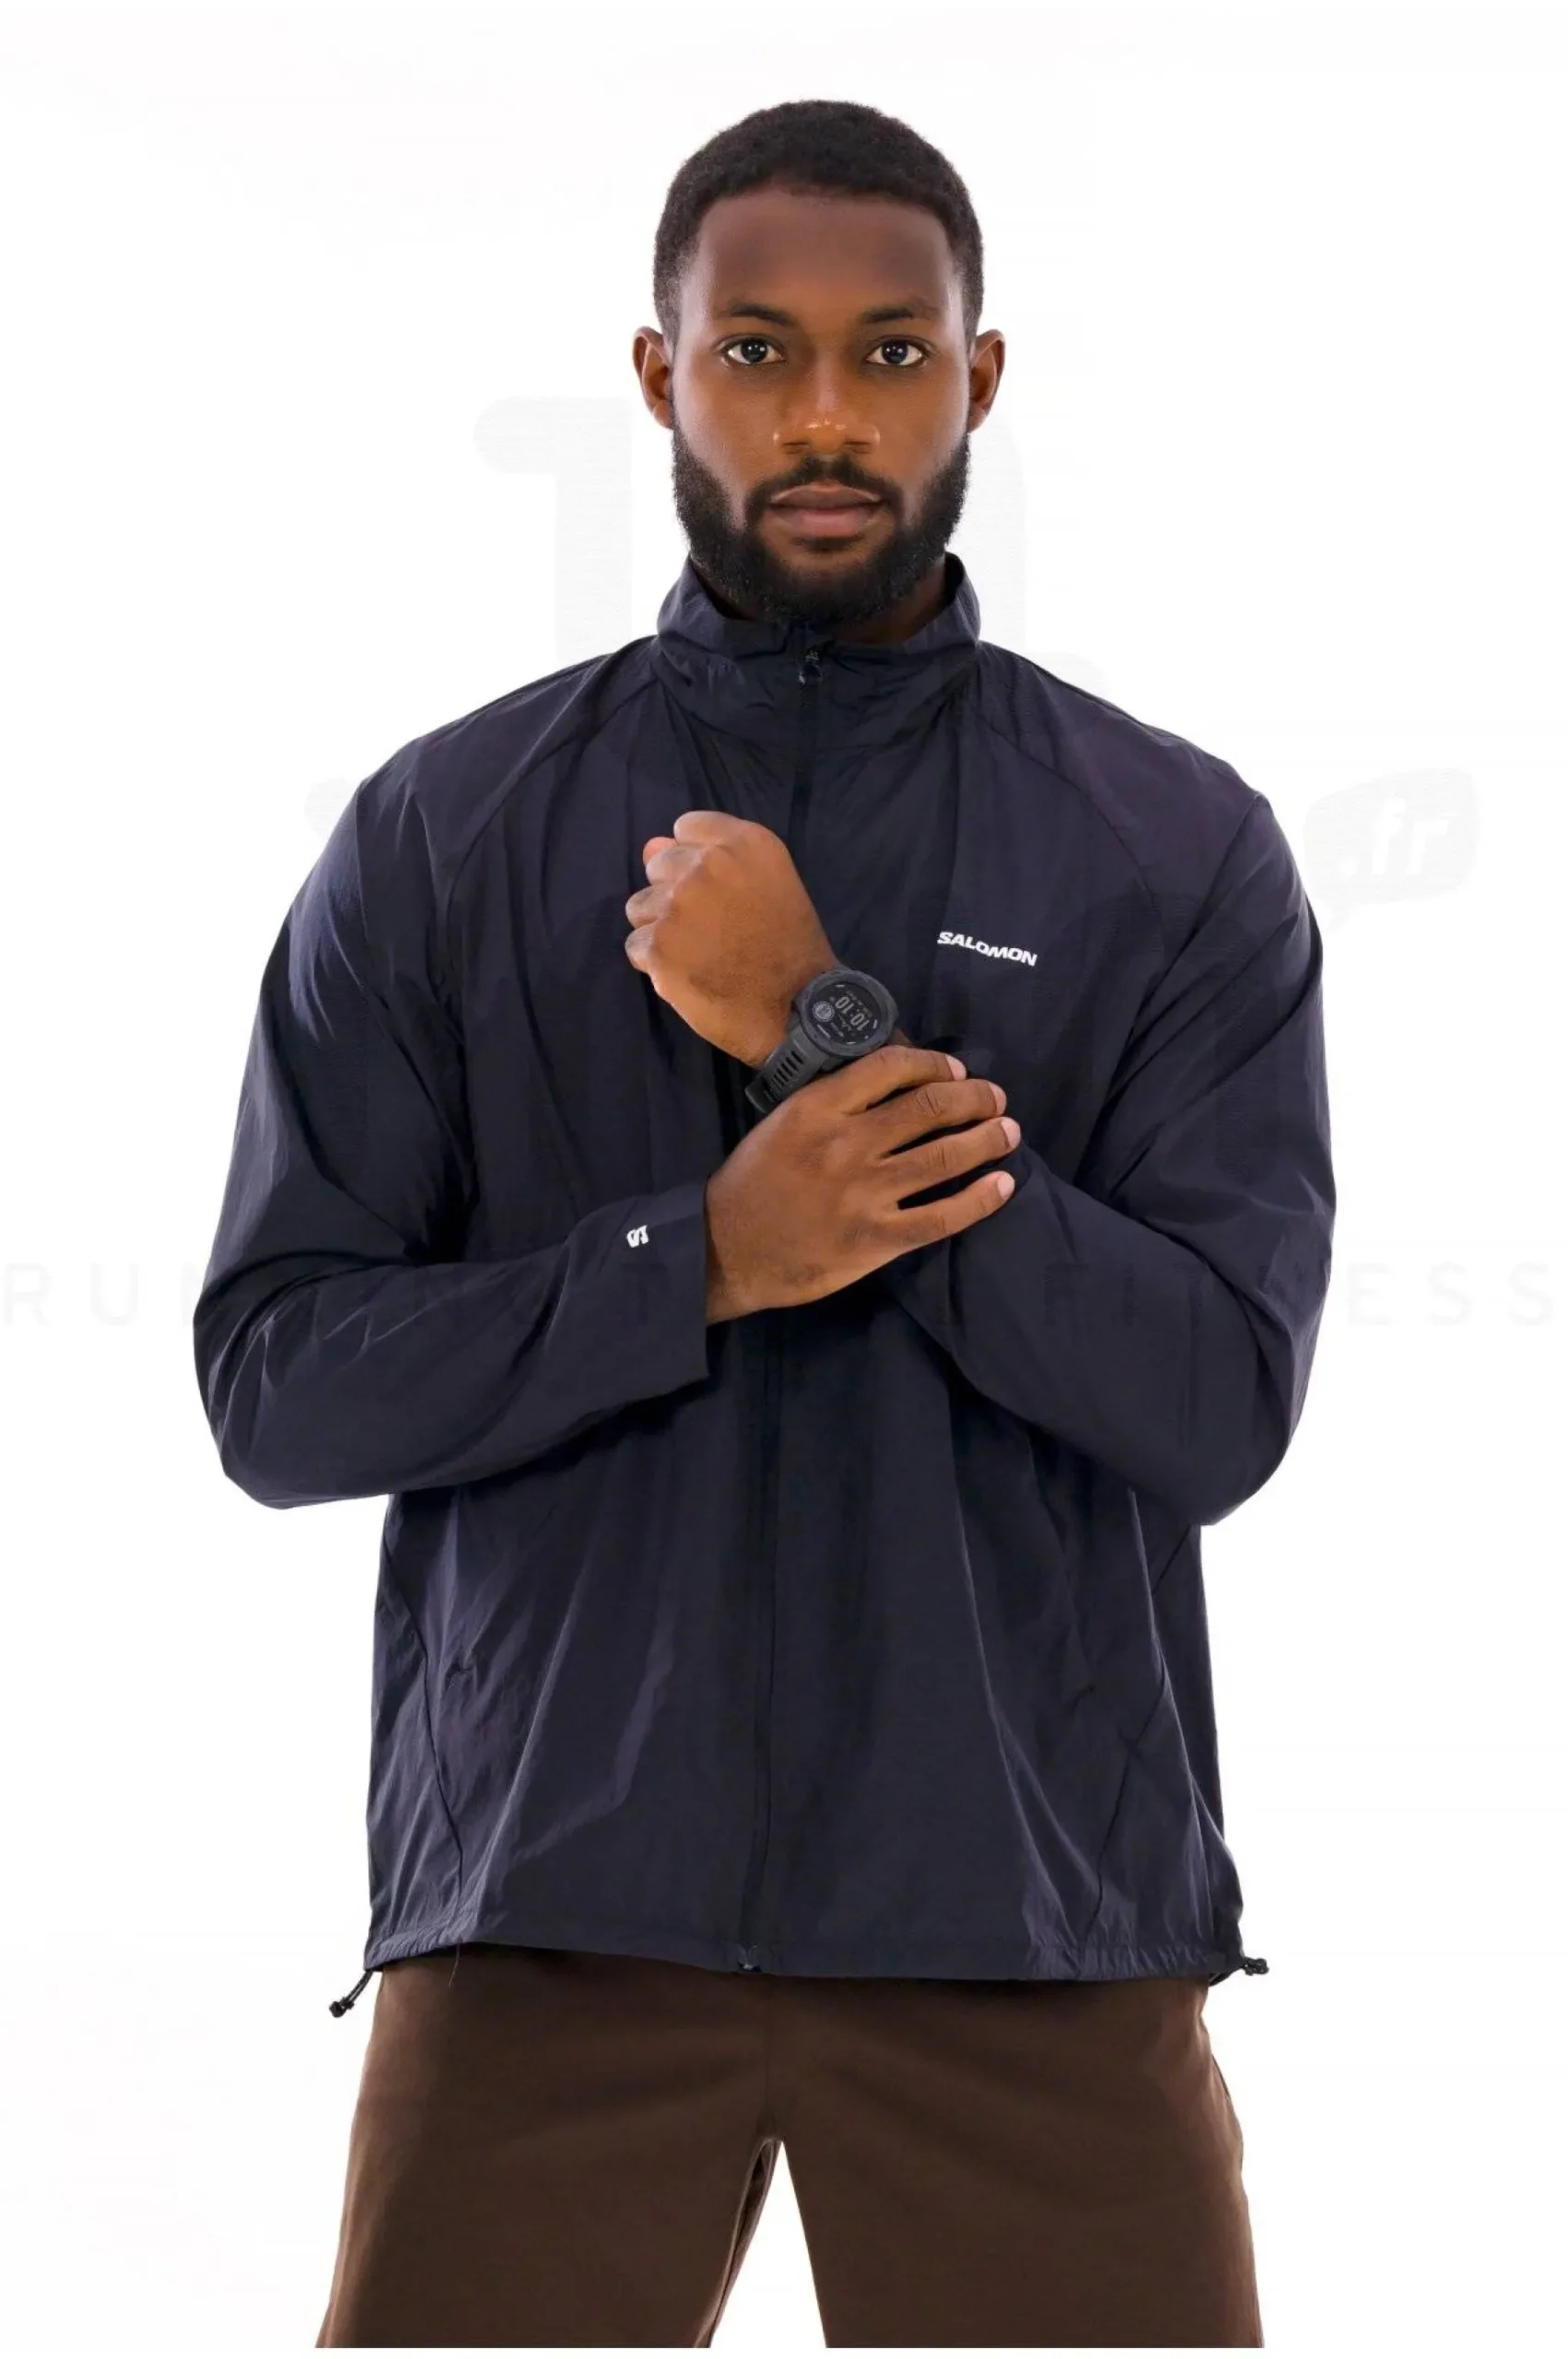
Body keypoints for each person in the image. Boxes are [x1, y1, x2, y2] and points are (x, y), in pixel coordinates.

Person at [193, 96, 1334, 2348]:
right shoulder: (444, 834)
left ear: (976, 377)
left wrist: (821, 1032)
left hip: (1028, 1914)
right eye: (758, 350)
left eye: (890, 353)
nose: (825, 415)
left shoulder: (1170, 846)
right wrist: (691, 1261)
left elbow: (1213, 1400)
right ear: (659, 374)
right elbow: (276, 1381)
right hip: (549, 1918)